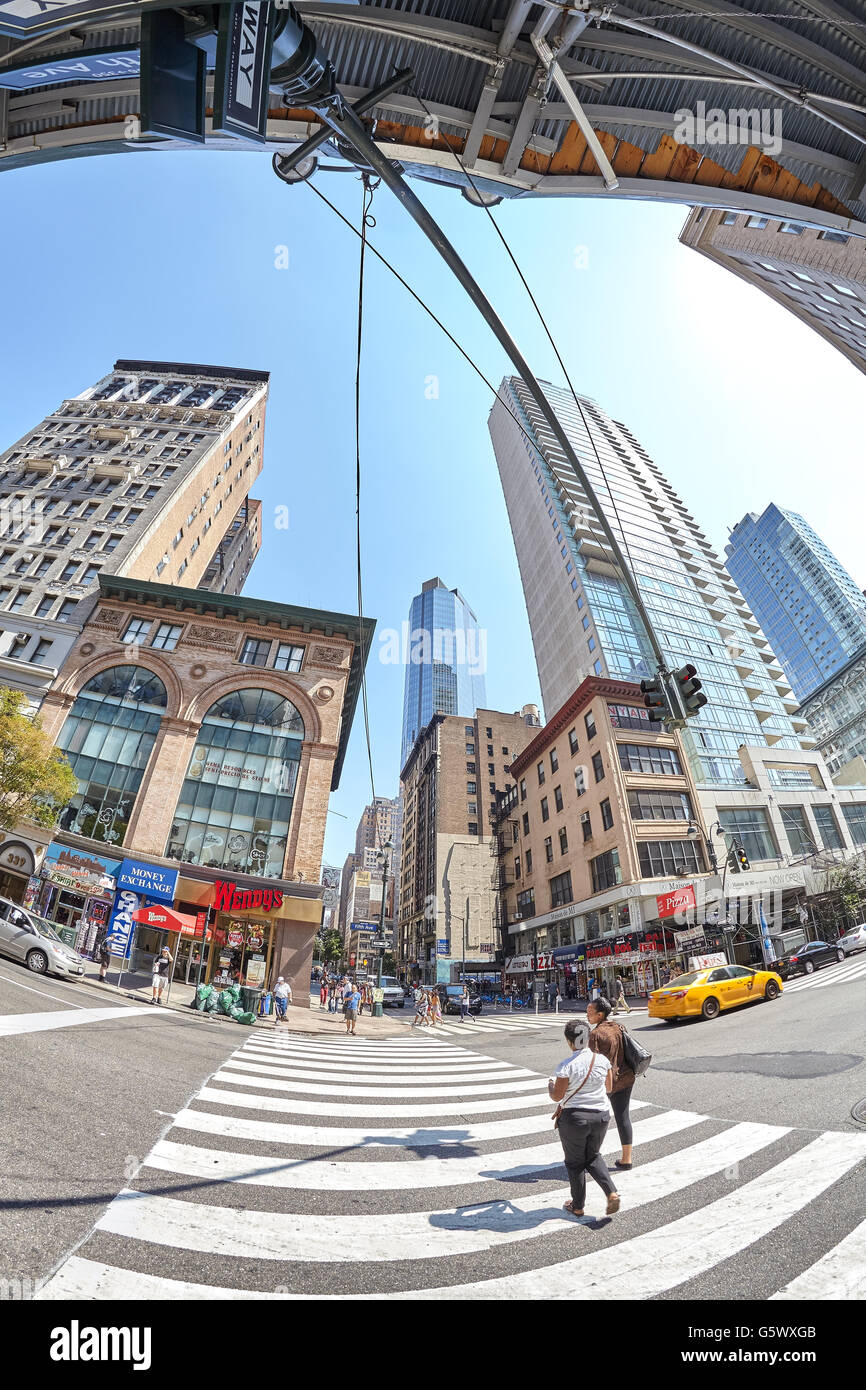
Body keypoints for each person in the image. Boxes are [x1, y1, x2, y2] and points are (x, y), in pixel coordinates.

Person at [548, 1016, 620, 1219]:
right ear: (588, 1038)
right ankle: (611, 1192)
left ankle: (578, 1206)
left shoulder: (566, 1065)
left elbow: (558, 1095)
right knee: (594, 1156)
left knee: (575, 1163)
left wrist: (550, 1085)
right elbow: (608, 1088)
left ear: (569, 1041)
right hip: (601, 1116)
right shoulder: (602, 1061)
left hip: (574, 1118)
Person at [587, 995, 636, 1169]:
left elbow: (593, 1062)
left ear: (600, 1015)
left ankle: (591, 1156)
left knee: (595, 1118)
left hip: (606, 1083)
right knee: (623, 1117)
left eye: (590, 1012)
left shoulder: (595, 1034)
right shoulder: (619, 1026)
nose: (587, 1015)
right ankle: (627, 1159)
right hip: (626, 1078)